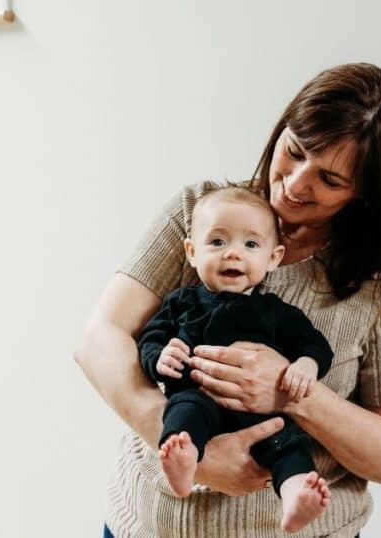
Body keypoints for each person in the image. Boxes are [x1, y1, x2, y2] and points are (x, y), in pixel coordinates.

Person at [75, 62, 381, 538]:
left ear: (368, 190)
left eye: (330, 180)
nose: (294, 184)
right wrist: (194, 452)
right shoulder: (202, 212)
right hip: (150, 526)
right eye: (293, 151)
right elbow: (98, 341)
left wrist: (293, 394)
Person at [141, 186, 335, 532]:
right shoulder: (182, 302)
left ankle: (294, 496)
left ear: (273, 258)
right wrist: (159, 357)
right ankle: (185, 462)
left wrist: (306, 365)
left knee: (287, 443)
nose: (233, 254)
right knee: (183, 415)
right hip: (199, 398)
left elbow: (314, 344)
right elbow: (150, 338)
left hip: (260, 416)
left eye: (251, 245)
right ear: (192, 252)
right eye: (217, 242)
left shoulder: (275, 312)